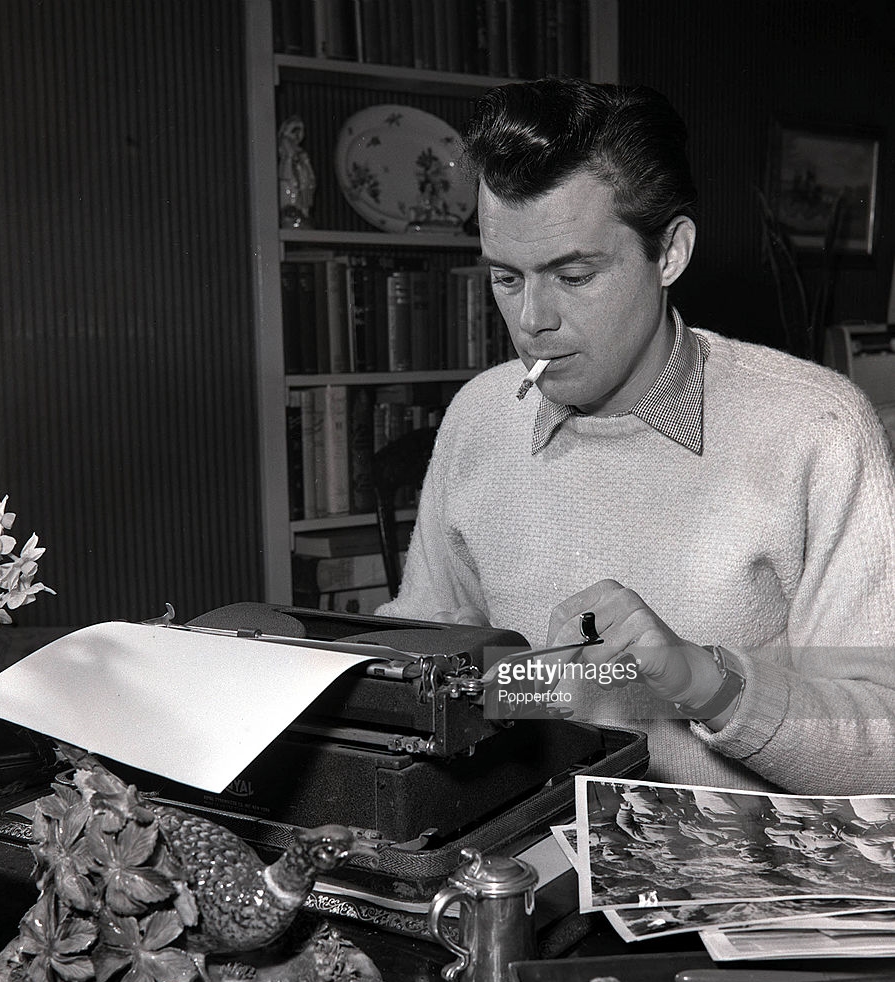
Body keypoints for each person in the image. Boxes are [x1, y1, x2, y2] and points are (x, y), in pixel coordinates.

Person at [376, 79, 895, 794]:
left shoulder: (820, 429)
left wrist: (698, 680)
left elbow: (884, 749)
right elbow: (432, 684)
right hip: (518, 842)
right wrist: (507, 683)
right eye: (505, 277)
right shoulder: (478, 416)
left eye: (573, 274)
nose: (531, 320)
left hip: (734, 859)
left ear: (670, 252)